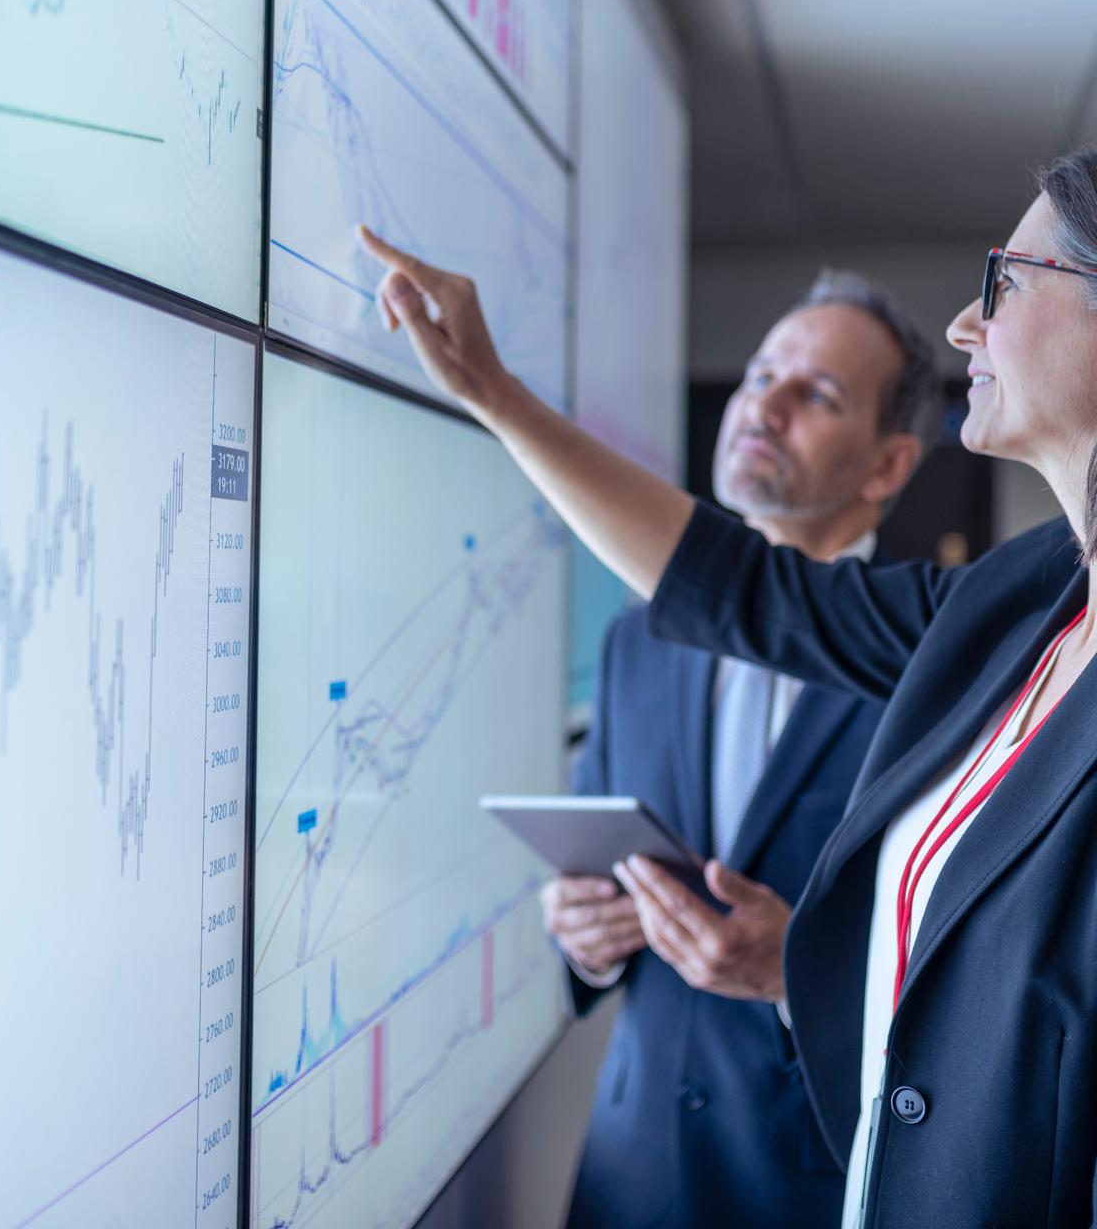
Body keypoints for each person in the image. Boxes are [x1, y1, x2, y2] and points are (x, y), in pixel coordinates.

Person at [357, 145, 1097, 1228]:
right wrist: (493, 395)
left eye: (1007, 279)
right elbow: (733, 587)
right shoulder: (1019, 600)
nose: (963, 325)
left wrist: (788, 969)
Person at [546, 273, 940, 1229]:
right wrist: (583, 938)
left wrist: (794, 968)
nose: (762, 404)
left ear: (888, 466)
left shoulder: (937, 669)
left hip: (811, 1188)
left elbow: (964, 973)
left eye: (816, 395)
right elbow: (595, 861)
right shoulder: (634, 642)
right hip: (626, 1184)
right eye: (762, 373)